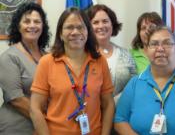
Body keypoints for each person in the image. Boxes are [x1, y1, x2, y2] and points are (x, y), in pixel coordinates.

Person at [30, 7, 115, 135]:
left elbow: (108, 104)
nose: (75, 32)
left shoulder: (100, 61)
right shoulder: (47, 62)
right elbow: (35, 108)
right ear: (60, 33)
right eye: (69, 27)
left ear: (88, 31)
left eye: (80, 27)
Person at [0, 2, 51, 134]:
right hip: (18, 127)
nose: (32, 25)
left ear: (43, 26)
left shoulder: (48, 56)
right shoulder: (9, 57)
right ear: (19, 26)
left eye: (37, 21)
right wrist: (47, 121)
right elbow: (16, 99)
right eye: (27, 21)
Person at [87, 4, 136, 102]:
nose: (101, 26)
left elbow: (134, 85)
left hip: (122, 112)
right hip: (92, 113)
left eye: (105, 21)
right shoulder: (82, 54)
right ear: (88, 27)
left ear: (112, 25)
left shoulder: (126, 54)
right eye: (95, 22)